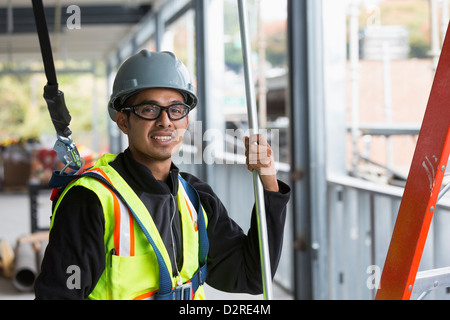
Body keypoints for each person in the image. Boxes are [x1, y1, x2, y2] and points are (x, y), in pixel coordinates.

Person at [34, 50, 290, 300]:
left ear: (186, 122)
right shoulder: (90, 200)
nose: (165, 121)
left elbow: (252, 275)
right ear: (123, 121)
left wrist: (268, 182)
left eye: (176, 109)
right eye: (149, 109)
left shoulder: (195, 197)